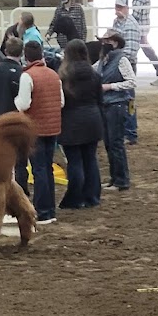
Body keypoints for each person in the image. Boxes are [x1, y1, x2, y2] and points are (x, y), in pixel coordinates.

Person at [15, 40, 64, 224]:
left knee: (39, 170)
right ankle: (50, 209)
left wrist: (15, 101)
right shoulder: (53, 74)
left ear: (25, 57)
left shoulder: (27, 76)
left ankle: (43, 211)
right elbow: (61, 102)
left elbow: (24, 104)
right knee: (48, 168)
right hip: (53, 128)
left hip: (35, 129)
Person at [58, 39, 103, 209]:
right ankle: (92, 197)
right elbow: (100, 100)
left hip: (71, 122)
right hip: (93, 120)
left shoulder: (63, 75)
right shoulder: (95, 75)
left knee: (75, 161)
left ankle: (75, 198)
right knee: (90, 160)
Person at [0, 36, 28, 196]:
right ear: (21, 52)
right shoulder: (21, 73)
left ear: (5, 50)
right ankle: (20, 189)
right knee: (19, 157)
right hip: (15, 121)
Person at [96, 30, 135, 192]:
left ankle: (121, 180)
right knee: (109, 143)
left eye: (107, 41)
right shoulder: (103, 60)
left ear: (115, 43)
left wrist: (110, 86)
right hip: (107, 105)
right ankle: (115, 178)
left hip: (117, 105)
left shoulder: (122, 59)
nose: (104, 44)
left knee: (115, 143)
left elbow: (132, 82)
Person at [111, 0, 141, 143]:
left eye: (120, 7)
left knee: (128, 98)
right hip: (120, 63)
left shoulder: (130, 25)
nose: (118, 9)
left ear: (126, 8)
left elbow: (131, 50)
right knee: (124, 98)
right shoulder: (117, 22)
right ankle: (126, 130)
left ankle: (130, 132)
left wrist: (116, 59)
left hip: (126, 64)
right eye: (117, 6)